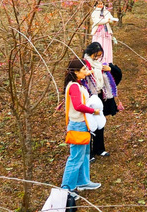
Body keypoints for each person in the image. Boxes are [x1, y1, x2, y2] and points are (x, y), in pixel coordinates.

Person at [61, 58, 101, 193]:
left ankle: (83, 181)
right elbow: (78, 106)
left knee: (84, 155)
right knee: (76, 157)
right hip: (77, 125)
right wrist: (93, 111)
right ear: (76, 72)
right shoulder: (74, 86)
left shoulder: (77, 85)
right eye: (84, 69)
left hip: (83, 124)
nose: (87, 71)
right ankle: (67, 190)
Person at [81, 42, 120, 162]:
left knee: (99, 123)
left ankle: (99, 148)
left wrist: (111, 69)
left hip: (100, 97)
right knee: (89, 126)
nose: (97, 58)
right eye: (95, 55)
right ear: (90, 54)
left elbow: (117, 77)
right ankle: (89, 152)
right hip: (88, 98)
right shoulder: (83, 64)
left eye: (100, 55)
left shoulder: (100, 65)